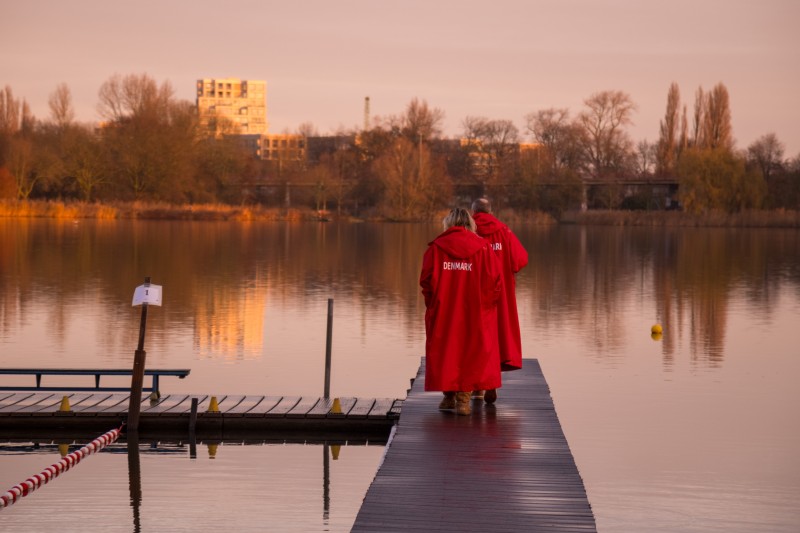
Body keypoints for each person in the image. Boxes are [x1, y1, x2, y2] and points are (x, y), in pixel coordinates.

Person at [419, 207, 502, 416]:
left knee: (446, 351)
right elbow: (495, 283)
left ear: (448, 223)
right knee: (471, 352)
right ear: (471, 224)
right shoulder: (484, 249)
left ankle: (449, 396)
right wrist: (487, 307)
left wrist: (433, 304)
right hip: (475, 311)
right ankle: (463, 399)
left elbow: (426, 282)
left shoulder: (436, 248)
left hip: (444, 310)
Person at [471, 197, 529, 404]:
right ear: (490, 211)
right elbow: (521, 259)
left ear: (474, 212)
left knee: (477, 337)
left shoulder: (469, 231)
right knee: (497, 336)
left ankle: (477, 387)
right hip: (501, 294)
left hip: (475, 293)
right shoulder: (504, 231)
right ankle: (491, 384)